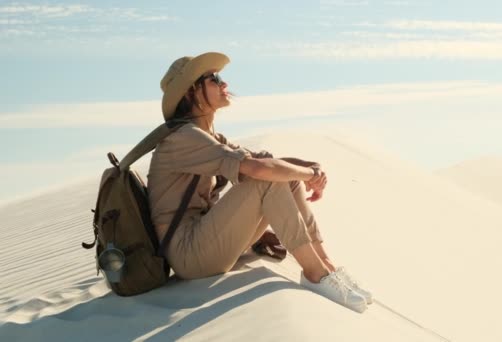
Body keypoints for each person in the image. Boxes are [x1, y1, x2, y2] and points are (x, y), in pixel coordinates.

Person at [147, 52, 372, 313]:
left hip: (207, 240)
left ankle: (327, 266)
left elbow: (266, 163)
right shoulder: (183, 138)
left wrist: (309, 168)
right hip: (189, 254)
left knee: (284, 178)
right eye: (214, 79)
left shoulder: (208, 137)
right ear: (190, 93)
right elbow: (260, 170)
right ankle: (314, 274)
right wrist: (309, 175)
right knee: (267, 179)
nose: (224, 85)